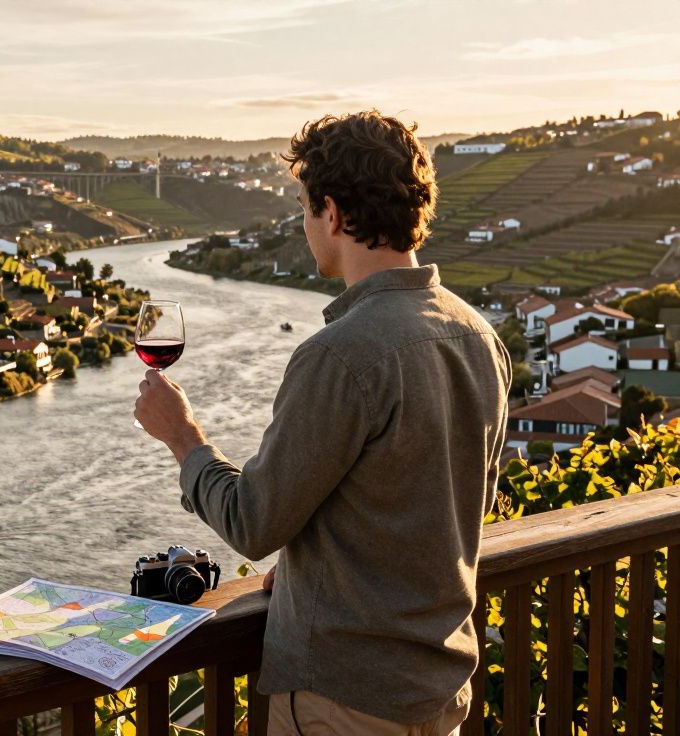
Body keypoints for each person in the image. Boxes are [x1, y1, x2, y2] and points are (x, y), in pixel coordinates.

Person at [134, 111, 510, 736]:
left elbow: (252, 523)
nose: (306, 226)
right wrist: (318, 569)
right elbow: (449, 509)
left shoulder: (340, 355)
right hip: (438, 692)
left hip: (343, 700)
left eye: (307, 209)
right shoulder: (478, 335)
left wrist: (182, 435)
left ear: (333, 214)